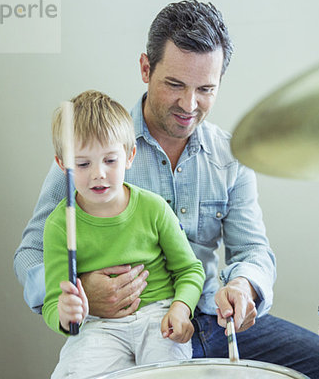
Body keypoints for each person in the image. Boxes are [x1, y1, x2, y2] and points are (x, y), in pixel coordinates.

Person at [14, 0, 319, 378]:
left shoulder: (230, 157)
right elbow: (31, 252)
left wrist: (244, 286)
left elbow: (254, 250)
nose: (189, 104)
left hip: (215, 317)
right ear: (146, 68)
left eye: (206, 89)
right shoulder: (93, 150)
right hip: (132, 326)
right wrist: (81, 291)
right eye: (175, 84)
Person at [43, 90, 205, 377]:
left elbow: (190, 270)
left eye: (110, 160)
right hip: (98, 325)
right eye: (82, 164)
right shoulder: (58, 226)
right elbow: (54, 302)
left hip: (158, 315)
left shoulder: (153, 208)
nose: (98, 174)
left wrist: (181, 308)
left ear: (130, 156)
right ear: (62, 165)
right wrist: (65, 315)